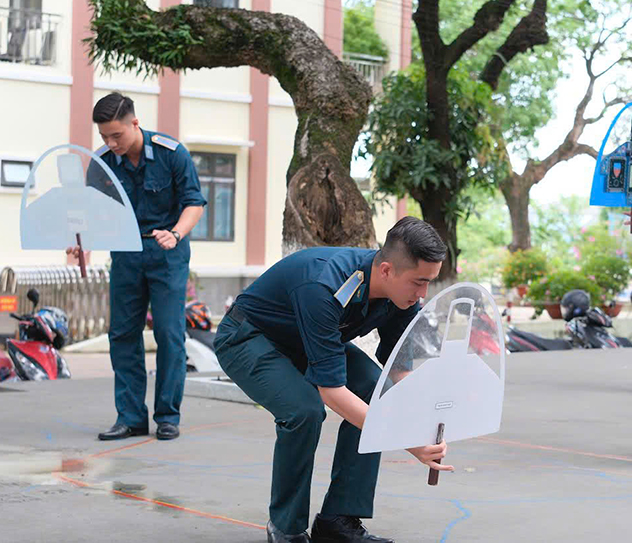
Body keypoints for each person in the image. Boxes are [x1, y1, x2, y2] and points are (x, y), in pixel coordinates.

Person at [214, 217, 454, 543]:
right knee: (304, 410)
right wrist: (407, 440)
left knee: (375, 389)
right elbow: (332, 392)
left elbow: (400, 373)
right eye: (418, 282)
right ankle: (286, 528)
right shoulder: (324, 286)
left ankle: (338, 522)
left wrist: (426, 421)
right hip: (250, 337)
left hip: (304, 340)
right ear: (386, 270)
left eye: (430, 282)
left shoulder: (402, 295)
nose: (423, 292)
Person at [68, 92, 206, 442]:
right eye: (104, 137)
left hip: (167, 253)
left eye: (117, 135)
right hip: (126, 255)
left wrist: (176, 233)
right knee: (122, 335)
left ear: (135, 123)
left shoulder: (171, 154)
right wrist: (81, 237)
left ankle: (167, 416)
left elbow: (194, 203)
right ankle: (129, 417)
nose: (111, 143)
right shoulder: (102, 163)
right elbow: (95, 212)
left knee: (169, 334)